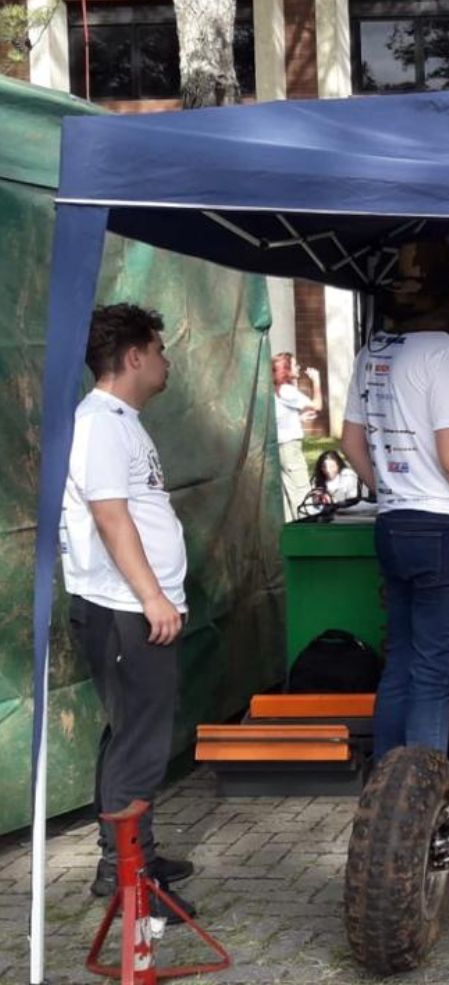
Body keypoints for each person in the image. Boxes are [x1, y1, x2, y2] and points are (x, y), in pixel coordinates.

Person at [341, 241, 449, 759]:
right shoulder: (445, 354)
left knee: (401, 663)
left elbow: (350, 443)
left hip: (393, 523)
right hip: (446, 531)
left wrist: (391, 488)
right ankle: (416, 794)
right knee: (436, 676)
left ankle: (386, 782)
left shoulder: (372, 351)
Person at [62, 303, 196, 919]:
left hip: (132, 606)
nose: (167, 361)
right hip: (124, 610)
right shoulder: (100, 424)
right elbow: (110, 517)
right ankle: (129, 883)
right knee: (138, 743)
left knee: (130, 735)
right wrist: (151, 597)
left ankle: (129, 859)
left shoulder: (120, 421)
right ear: (135, 356)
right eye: (160, 350)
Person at [272, 352, 322, 520]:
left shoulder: (275, 390)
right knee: (301, 488)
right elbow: (317, 405)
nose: (298, 367)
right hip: (289, 447)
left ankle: (291, 525)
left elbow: (279, 418)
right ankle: (308, 523)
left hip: (280, 446)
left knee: (288, 490)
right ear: (285, 370)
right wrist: (316, 381)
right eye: (294, 365)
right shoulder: (286, 390)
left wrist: (298, 418)